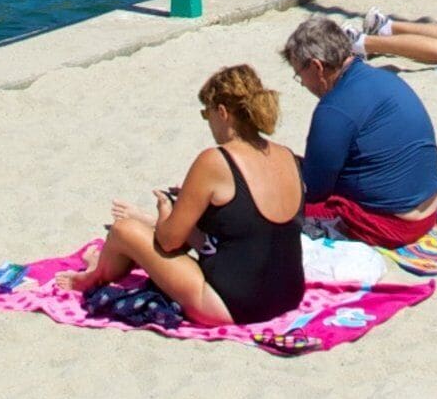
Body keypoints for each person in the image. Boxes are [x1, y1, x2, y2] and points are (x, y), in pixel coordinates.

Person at [66, 65, 306, 327]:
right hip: (288, 296)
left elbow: (170, 241)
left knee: (124, 230)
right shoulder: (287, 155)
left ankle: (92, 277)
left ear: (223, 113)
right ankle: (100, 267)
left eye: (207, 114)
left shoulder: (215, 160)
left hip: (233, 306)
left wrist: (166, 208)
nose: (208, 122)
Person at [279, 15, 437, 247]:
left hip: (394, 224)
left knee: (276, 206)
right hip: (429, 209)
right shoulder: (385, 78)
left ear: (317, 67)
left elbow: (314, 190)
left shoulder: (334, 109)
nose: (303, 84)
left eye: (300, 75)